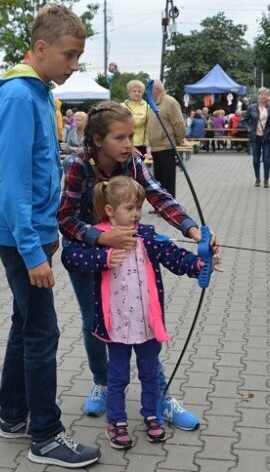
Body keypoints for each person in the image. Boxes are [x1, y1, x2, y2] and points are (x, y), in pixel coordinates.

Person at [58, 100, 216, 432]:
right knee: (96, 320)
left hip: (128, 252)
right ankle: (102, 382)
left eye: (131, 135)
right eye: (120, 137)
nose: (129, 144)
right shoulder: (77, 165)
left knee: (143, 322)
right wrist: (102, 240)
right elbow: (66, 219)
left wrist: (192, 228)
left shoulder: (131, 161)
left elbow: (158, 195)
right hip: (90, 253)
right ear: (98, 140)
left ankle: (160, 397)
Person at [0, 3, 100, 468]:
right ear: (41, 48)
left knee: (25, 323)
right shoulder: (19, 96)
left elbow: (36, 168)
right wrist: (34, 253)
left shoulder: (36, 93)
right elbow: (11, 182)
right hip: (21, 238)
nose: (74, 66)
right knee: (42, 332)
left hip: (31, 232)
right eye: (69, 55)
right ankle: (46, 436)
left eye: (78, 57)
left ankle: (13, 414)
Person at [61, 176, 205, 449]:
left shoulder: (147, 237)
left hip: (147, 324)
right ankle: (116, 422)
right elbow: (70, 257)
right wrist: (102, 257)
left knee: (150, 372)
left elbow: (175, 257)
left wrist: (200, 263)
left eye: (138, 207)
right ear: (110, 211)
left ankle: (151, 414)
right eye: (130, 208)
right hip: (116, 326)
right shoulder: (100, 236)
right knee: (118, 376)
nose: (137, 213)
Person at [146, 79, 187, 198]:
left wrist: (177, 141)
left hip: (166, 146)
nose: (147, 91)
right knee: (159, 179)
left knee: (168, 179)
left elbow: (179, 124)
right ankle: (161, 206)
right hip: (155, 148)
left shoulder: (169, 102)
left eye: (149, 88)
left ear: (156, 89)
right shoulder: (153, 103)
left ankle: (170, 204)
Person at [245, 87, 270, 188]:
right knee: (256, 159)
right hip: (255, 137)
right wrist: (249, 129)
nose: (263, 96)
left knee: (266, 158)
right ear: (258, 96)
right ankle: (257, 178)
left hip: (267, 137)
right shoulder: (251, 107)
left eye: (265, 94)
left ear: (268, 97)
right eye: (261, 94)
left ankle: (266, 179)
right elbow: (244, 120)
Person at [122, 80, 150, 155]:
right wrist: (139, 118)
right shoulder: (122, 106)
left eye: (139, 91)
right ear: (129, 93)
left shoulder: (147, 107)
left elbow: (149, 125)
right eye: (134, 91)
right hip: (125, 142)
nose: (137, 93)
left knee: (140, 165)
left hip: (142, 144)